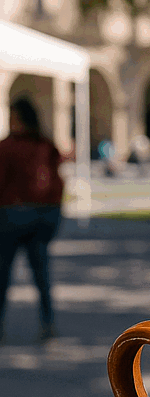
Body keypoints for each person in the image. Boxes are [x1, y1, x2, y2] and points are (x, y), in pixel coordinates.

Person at [0, 98, 65, 341]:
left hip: (12, 216)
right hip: (40, 216)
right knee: (41, 274)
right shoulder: (45, 145)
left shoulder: (7, 147)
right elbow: (57, 184)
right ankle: (47, 324)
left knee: (4, 274)